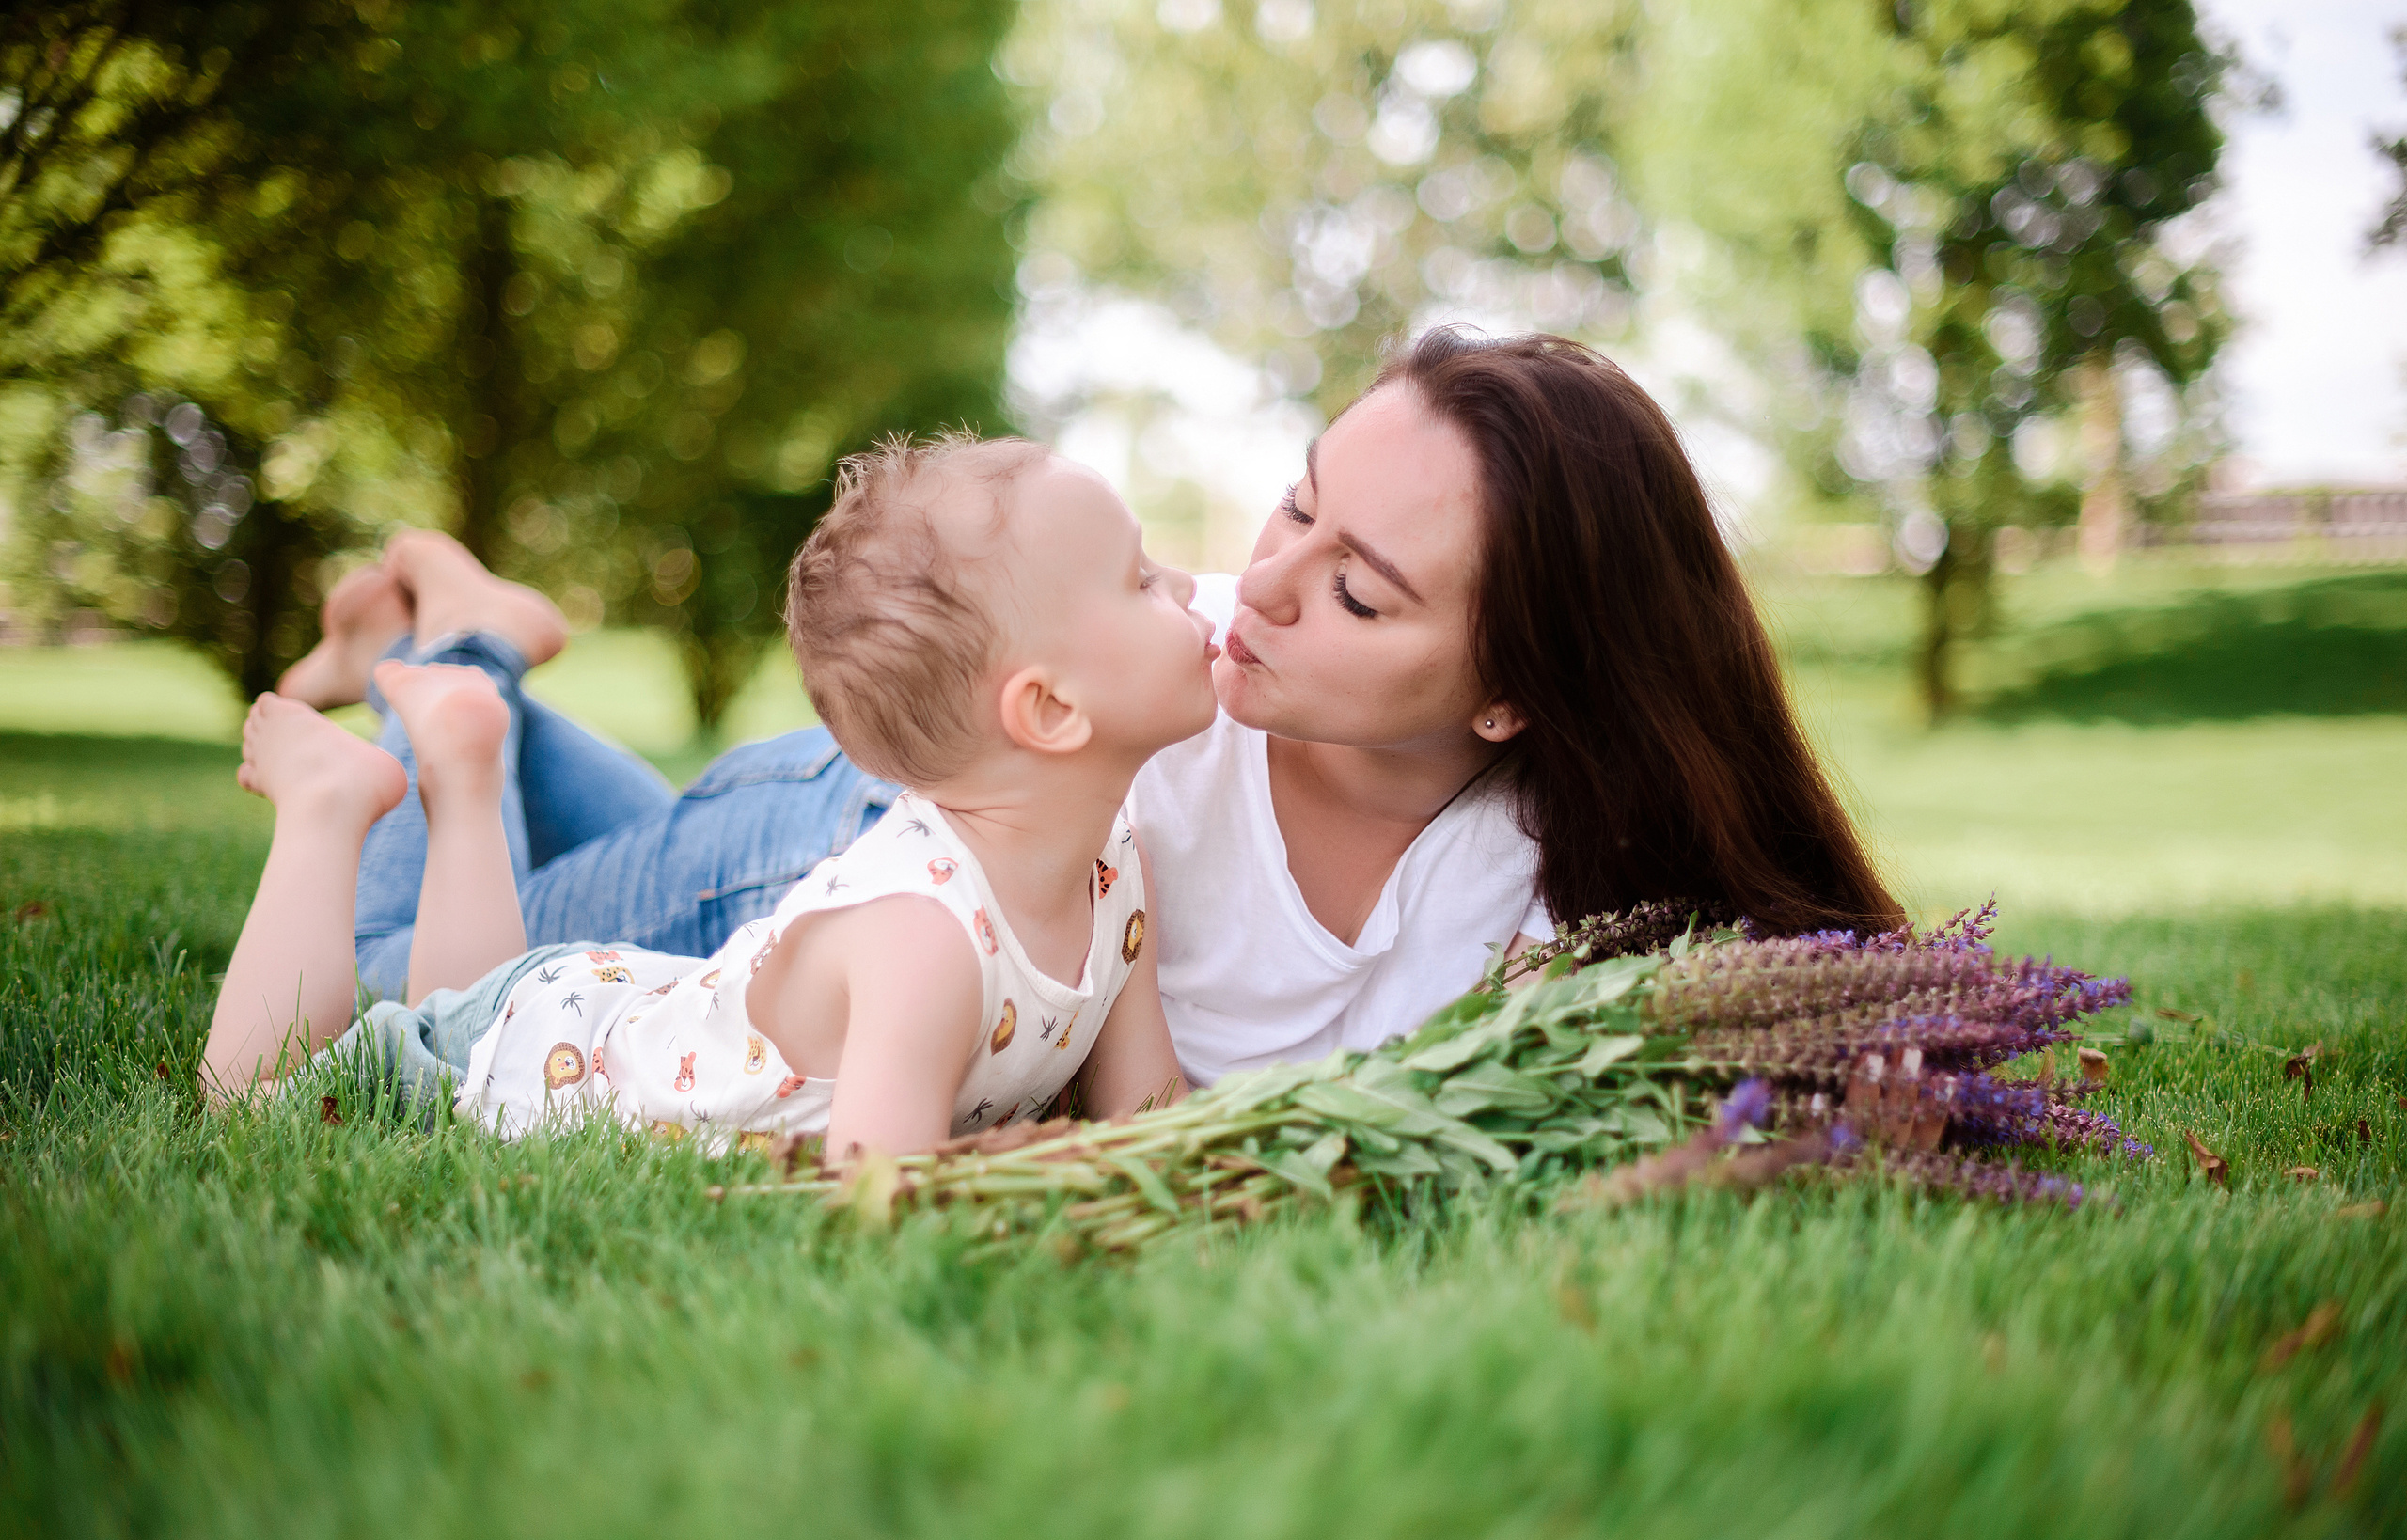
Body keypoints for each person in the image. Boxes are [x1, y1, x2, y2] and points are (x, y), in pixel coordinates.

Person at [279, 327, 1900, 1092]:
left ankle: (476, 647)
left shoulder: (1537, 894)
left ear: (1513, 697)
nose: (1254, 589)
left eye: (1357, 591)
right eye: (1295, 503)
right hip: (813, 863)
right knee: (382, 1009)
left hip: (924, 906)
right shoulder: (1158, 670)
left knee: (562, 861)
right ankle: (470, 685)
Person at [204, 435, 1219, 1157]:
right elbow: (877, 1201)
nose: (1183, 585)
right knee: (255, 1105)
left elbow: (1146, 1114)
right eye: (1139, 577)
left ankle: (467, 771)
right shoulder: (925, 939)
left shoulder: (1112, 863)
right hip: (566, 1060)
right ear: (1047, 709)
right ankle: (326, 802)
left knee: (472, 999)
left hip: (614, 1009)